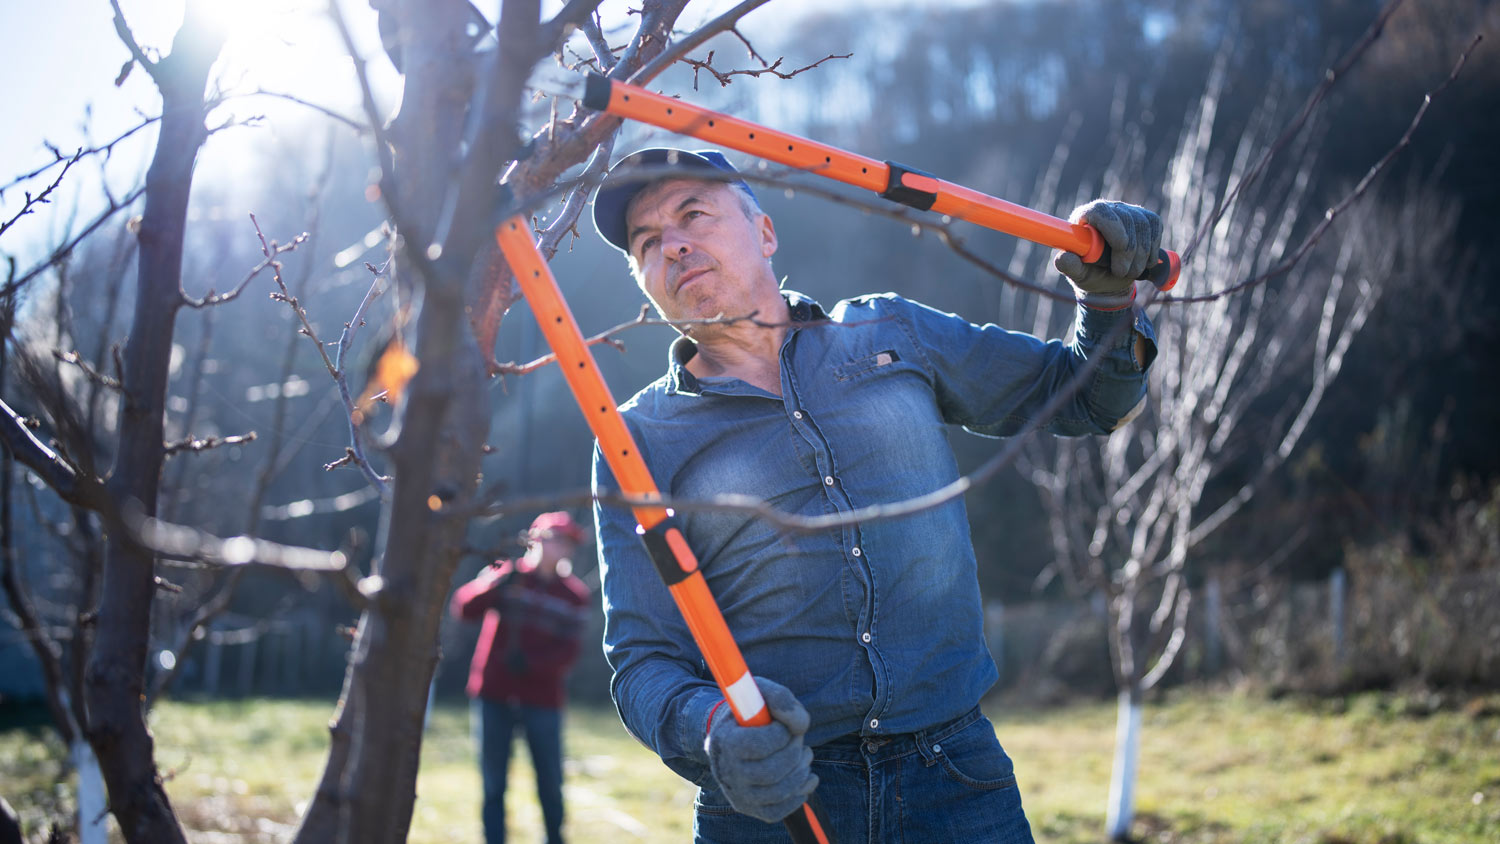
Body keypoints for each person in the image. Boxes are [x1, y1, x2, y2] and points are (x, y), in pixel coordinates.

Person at [588, 147, 1162, 843]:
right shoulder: (636, 439)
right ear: (646, 284)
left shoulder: (892, 334)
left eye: (693, 214)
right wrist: (711, 729)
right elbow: (642, 657)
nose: (674, 244)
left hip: (956, 780)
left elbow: (1081, 399)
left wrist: (1107, 303)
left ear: (765, 232)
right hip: (774, 805)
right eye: (648, 244)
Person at [450, 511, 592, 844]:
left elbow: (568, 654)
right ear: (535, 540)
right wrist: (495, 584)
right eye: (555, 539)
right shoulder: (506, 574)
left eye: (567, 543)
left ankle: (554, 838)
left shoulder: (575, 596)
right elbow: (464, 609)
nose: (560, 548)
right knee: (494, 782)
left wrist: (530, 664)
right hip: (494, 694)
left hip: (542, 699)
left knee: (549, 779)